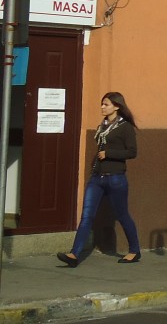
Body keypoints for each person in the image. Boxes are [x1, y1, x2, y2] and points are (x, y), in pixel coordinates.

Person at [58, 92, 142, 267]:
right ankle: (74, 254)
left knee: (122, 214)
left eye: (106, 104)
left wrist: (109, 153)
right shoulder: (102, 127)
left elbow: (132, 152)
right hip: (97, 178)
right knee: (87, 215)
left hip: (116, 178)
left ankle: (134, 251)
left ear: (116, 106)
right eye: (102, 104)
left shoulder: (125, 127)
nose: (102, 107)